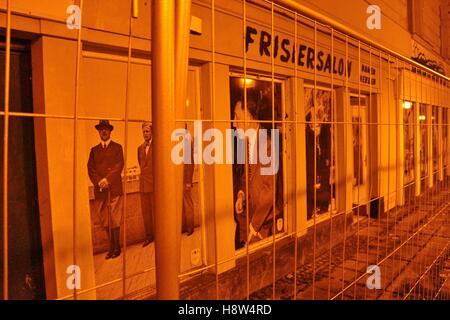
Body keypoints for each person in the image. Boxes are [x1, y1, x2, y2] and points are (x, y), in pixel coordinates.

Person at [232, 96, 282, 245]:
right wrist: (241, 195)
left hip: (261, 227)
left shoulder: (267, 145)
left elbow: (269, 191)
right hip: (245, 222)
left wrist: (254, 227)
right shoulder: (245, 143)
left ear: (248, 116)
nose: (234, 123)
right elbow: (245, 177)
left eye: (237, 116)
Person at [88, 120, 124, 259]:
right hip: (101, 191)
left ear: (110, 131)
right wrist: (99, 182)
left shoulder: (117, 148)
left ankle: (117, 247)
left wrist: (107, 179)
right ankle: (111, 247)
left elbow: (119, 165)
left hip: (114, 188)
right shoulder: (94, 151)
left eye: (106, 129)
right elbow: (90, 169)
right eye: (101, 129)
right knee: (105, 220)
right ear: (98, 132)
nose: (104, 132)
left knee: (115, 218)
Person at [137, 122, 154, 247]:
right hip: (143, 186)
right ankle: (149, 236)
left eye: (147, 131)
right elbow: (141, 165)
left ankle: (159, 235)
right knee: (146, 213)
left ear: (151, 132)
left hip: (154, 185)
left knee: (156, 212)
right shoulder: (140, 148)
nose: (145, 134)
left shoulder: (157, 146)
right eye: (143, 131)